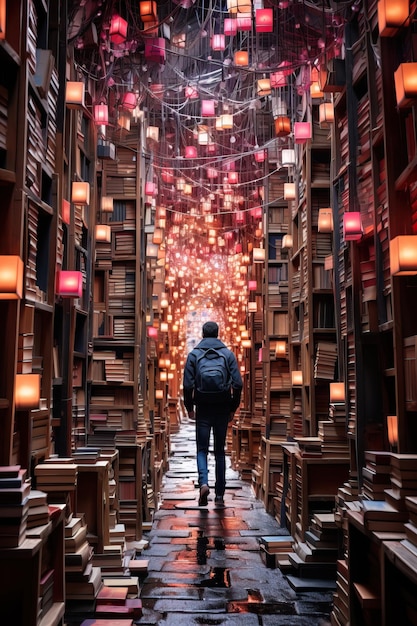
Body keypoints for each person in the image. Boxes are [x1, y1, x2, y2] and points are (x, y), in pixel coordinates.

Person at [183, 321, 243, 507]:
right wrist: (233, 408)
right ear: (218, 334)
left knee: (202, 449)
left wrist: (189, 408)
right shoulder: (227, 354)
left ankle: (203, 483)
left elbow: (187, 385)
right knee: (219, 451)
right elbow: (238, 384)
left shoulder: (194, 355)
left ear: (202, 334)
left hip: (203, 407)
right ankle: (219, 494)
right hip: (222, 407)